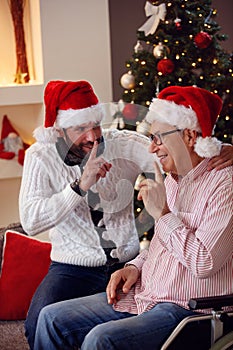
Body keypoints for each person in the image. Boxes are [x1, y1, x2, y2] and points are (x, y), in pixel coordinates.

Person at [33, 85, 233, 350]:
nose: (151, 148)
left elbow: (204, 263)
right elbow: (163, 246)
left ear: (189, 136)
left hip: (190, 310)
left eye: (159, 138)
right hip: (146, 294)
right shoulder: (173, 178)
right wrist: (134, 267)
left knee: (100, 340)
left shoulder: (224, 185)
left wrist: (162, 214)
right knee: (51, 318)